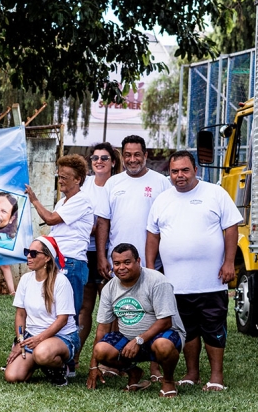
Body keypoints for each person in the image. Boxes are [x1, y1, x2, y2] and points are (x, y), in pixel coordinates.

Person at [146, 151, 241, 391]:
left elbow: (231, 228)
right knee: (187, 331)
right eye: (175, 171)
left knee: (214, 329)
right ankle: (192, 374)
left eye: (185, 170)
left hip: (211, 281)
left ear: (195, 170)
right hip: (175, 284)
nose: (179, 175)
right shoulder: (162, 199)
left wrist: (229, 262)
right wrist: (150, 270)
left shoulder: (215, 193)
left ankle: (217, 377)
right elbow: (152, 236)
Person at [86, 244, 186, 398]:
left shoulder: (157, 281)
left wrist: (139, 340)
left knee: (163, 346)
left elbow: (166, 321)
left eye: (127, 262)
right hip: (128, 339)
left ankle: (168, 381)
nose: (121, 268)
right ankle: (133, 372)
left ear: (138, 261)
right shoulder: (109, 288)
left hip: (162, 335)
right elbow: (103, 329)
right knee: (101, 350)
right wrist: (93, 366)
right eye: (117, 263)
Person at [25, 155, 93, 321]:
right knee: (51, 311)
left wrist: (34, 200)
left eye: (64, 177)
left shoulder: (81, 200)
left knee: (67, 315)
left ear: (77, 179)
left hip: (71, 261)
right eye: (59, 176)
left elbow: (50, 219)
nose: (60, 180)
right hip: (59, 260)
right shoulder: (62, 202)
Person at [4, 236, 79, 386]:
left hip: (62, 336)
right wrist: (20, 340)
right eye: (27, 252)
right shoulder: (25, 279)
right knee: (12, 376)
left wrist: (39, 339)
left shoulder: (61, 281)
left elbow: (62, 320)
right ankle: (38, 363)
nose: (28, 256)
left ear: (47, 258)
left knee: (42, 353)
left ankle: (59, 368)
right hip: (32, 337)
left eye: (33, 253)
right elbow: (20, 314)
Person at [95, 135, 171, 276]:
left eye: (137, 155)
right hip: (118, 265)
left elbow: (169, 223)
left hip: (153, 264)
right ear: (122, 156)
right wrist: (101, 257)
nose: (132, 159)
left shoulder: (161, 182)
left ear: (145, 155)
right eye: (127, 155)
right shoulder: (112, 183)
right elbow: (103, 222)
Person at [76, 142, 121, 367]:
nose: (99, 162)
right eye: (95, 158)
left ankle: (108, 361)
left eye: (104, 158)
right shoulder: (84, 188)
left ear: (113, 162)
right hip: (86, 253)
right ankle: (73, 358)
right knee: (85, 307)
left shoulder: (118, 185)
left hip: (112, 253)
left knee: (112, 306)